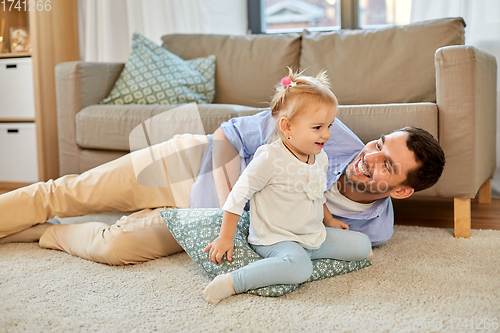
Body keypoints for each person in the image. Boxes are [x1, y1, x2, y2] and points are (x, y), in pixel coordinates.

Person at [0, 76, 445, 266]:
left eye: (386, 164)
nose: (369, 157)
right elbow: (227, 133)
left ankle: (47, 234)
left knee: (115, 247)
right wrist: (217, 206)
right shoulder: (325, 129)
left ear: (400, 191)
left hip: (208, 223)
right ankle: (36, 215)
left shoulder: (374, 230)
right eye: (379, 143)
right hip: (192, 168)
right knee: (68, 191)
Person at [202, 70, 372, 304]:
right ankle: (233, 281)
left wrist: (329, 220)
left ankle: (301, 256)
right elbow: (238, 195)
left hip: (311, 234)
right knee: (300, 269)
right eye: (317, 127)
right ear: (287, 126)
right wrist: (225, 237)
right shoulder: (270, 158)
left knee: (362, 245)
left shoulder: (319, 157)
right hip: (276, 237)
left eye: (329, 126)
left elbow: (316, 194)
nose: (327, 134)